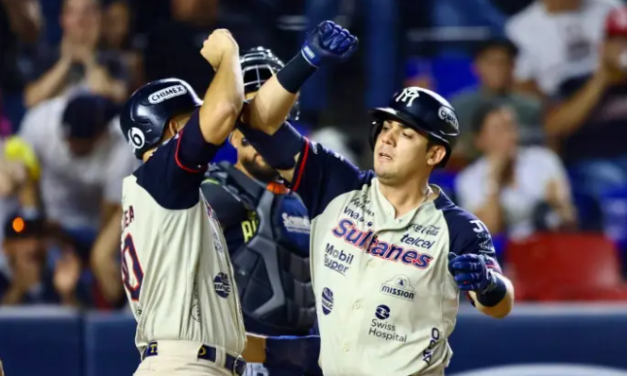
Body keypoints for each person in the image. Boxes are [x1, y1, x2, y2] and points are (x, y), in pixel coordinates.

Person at [236, 24, 515, 375]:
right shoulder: (335, 184)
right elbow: (258, 122)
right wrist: (306, 59)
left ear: (434, 155)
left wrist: (488, 285)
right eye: (385, 128)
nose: (388, 139)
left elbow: (500, 305)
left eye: (406, 133)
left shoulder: (458, 227)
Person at [118, 29, 248, 376]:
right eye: (192, 118)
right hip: (186, 365)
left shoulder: (162, 190)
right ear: (174, 129)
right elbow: (224, 109)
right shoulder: (163, 175)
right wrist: (228, 53)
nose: (200, 124)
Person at [200, 46, 315, 376]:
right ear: (233, 133)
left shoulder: (312, 194)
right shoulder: (216, 191)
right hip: (242, 360)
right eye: (252, 123)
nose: (263, 133)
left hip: (305, 357)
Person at [456, 101, 576, 241]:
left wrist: (557, 204)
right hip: (503, 257)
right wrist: (494, 179)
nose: (509, 136)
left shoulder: (544, 160)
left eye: (511, 127)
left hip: (550, 246)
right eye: (498, 130)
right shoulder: (469, 180)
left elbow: (570, 218)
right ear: (480, 140)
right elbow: (489, 230)